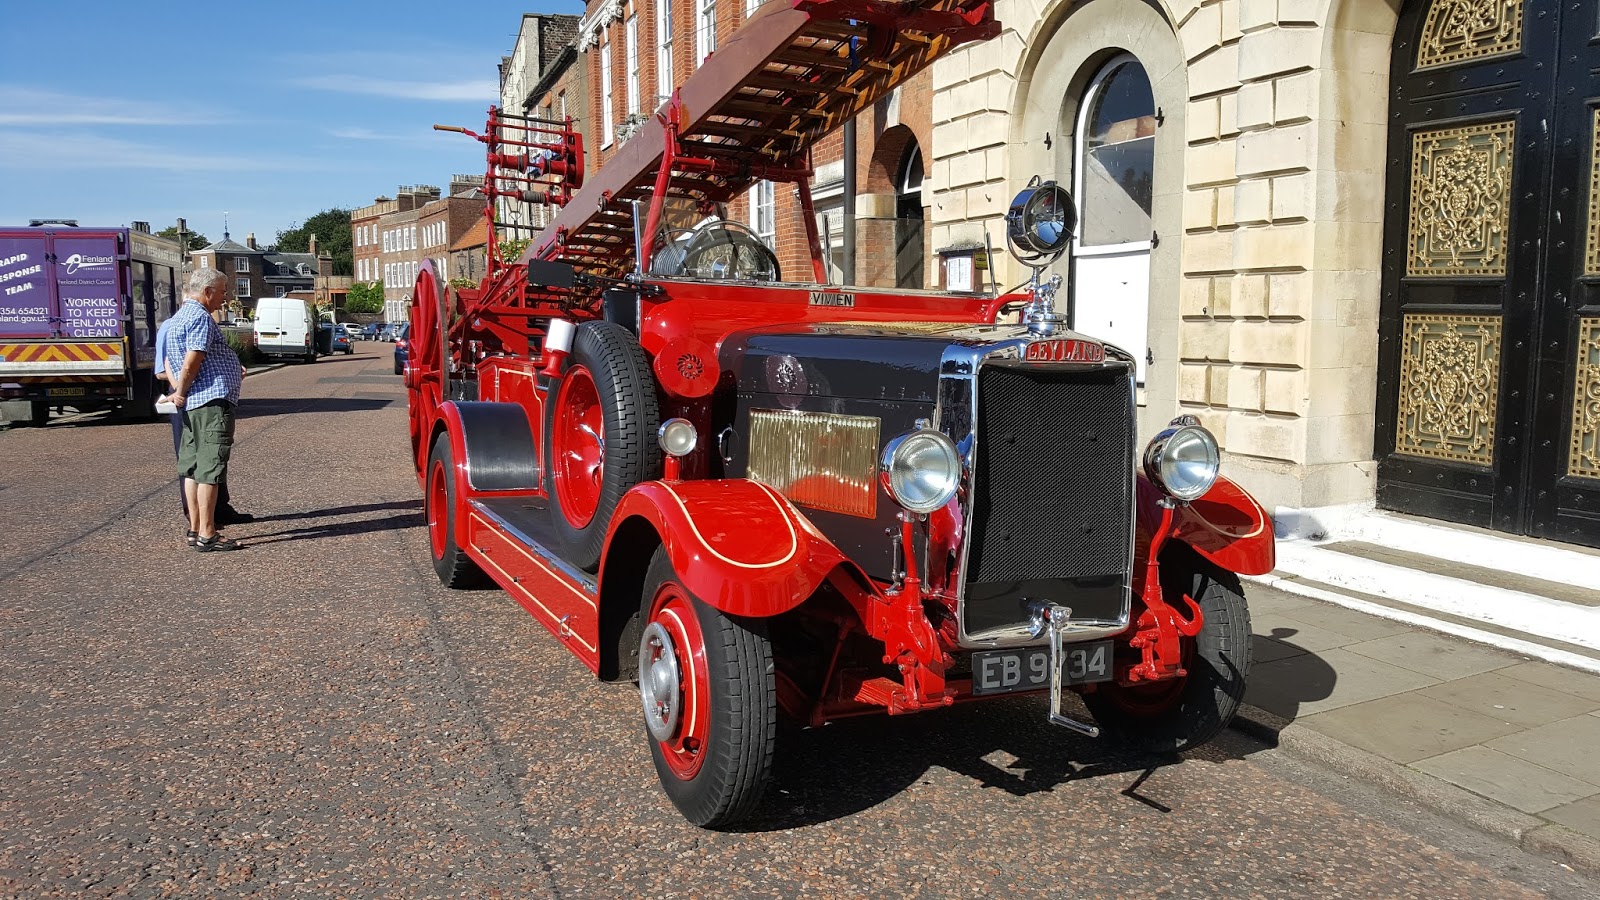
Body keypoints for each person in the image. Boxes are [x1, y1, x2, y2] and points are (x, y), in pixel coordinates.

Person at [162, 269, 247, 552]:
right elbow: (193, 358)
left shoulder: (177, 318)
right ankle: (208, 534)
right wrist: (181, 391)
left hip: (193, 404)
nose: (226, 297)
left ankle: (195, 527)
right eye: (223, 291)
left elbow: (170, 361)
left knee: (192, 468)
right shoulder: (200, 317)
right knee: (210, 468)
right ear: (207, 291)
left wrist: (179, 391)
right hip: (210, 403)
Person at [154, 311, 251, 528]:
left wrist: (232, 368)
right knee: (197, 462)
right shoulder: (178, 324)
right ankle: (199, 521)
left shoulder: (195, 321)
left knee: (209, 457)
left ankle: (217, 512)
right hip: (191, 397)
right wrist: (180, 390)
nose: (222, 299)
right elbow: (164, 368)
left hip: (198, 395)